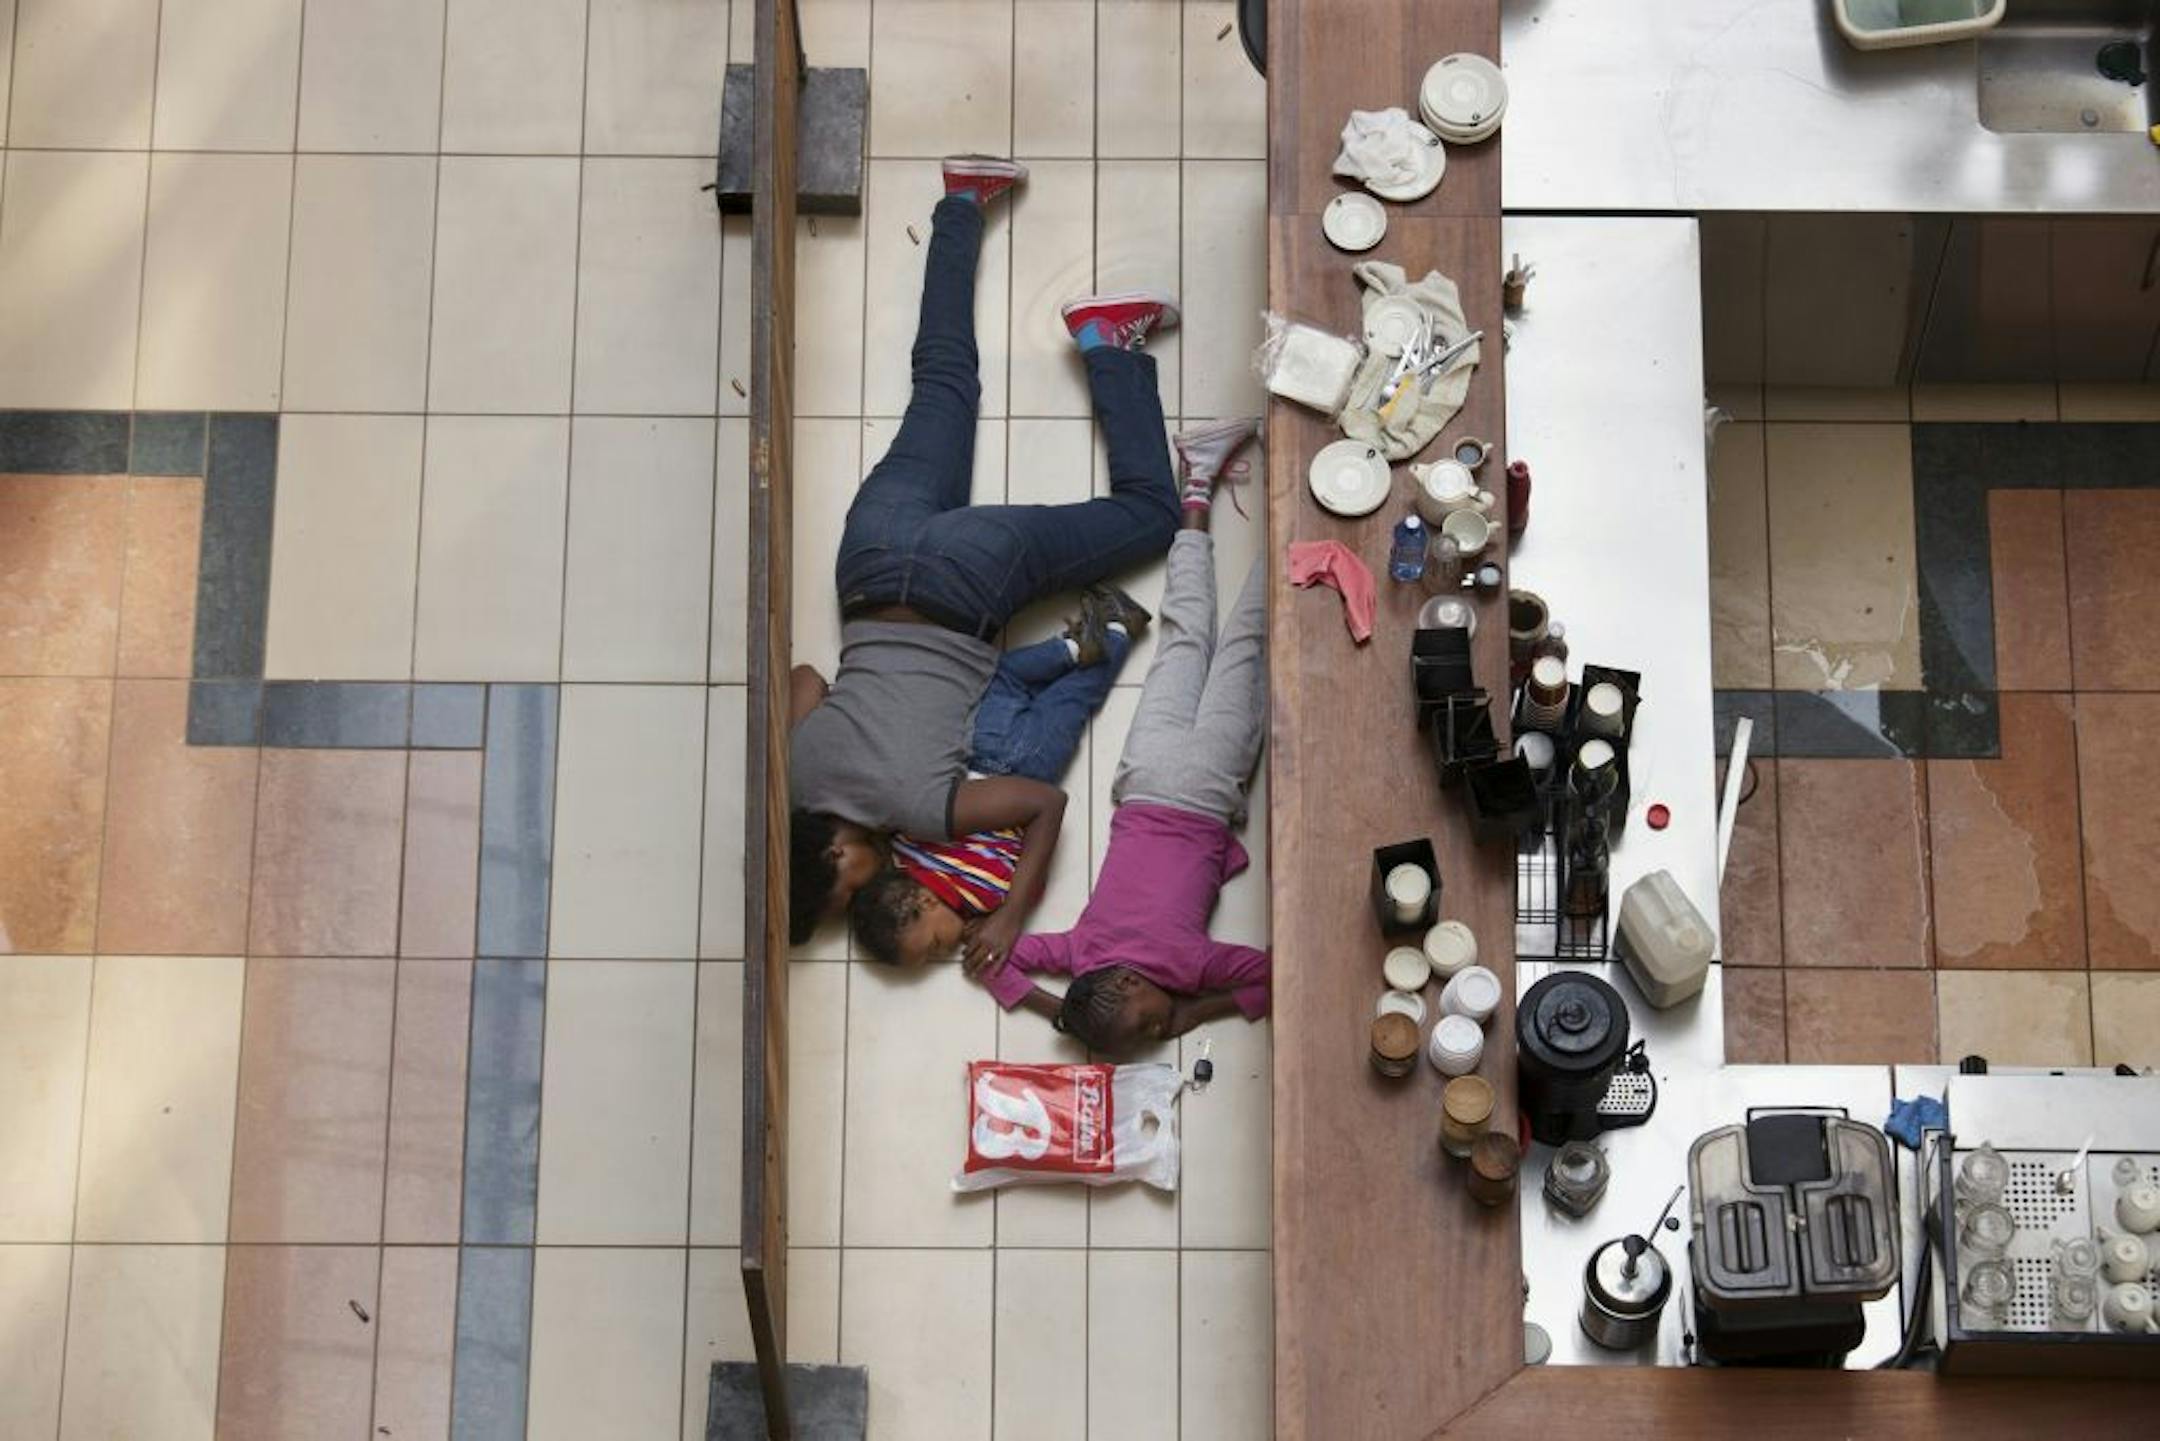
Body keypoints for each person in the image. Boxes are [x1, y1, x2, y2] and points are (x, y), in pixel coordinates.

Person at [789, 154, 1185, 964]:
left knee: (1152, 517)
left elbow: (1043, 803)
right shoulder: (792, 774)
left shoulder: (914, 811)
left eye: (848, 888)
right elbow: (804, 679)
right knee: (942, 381)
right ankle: (963, 199)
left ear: (834, 854)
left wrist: (1009, 916)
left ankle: (1108, 342)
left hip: (970, 580)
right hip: (870, 558)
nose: (865, 887)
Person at [848, 419, 1261, 971]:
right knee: (1009, 679)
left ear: (920, 905)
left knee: (1076, 700)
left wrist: (1007, 916)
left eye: (933, 946)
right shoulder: (904, 849)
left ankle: (1112, 631)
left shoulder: (982, 895)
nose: (944, 951)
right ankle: (1069, 647)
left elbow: (1032, 849)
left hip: (1028, 773)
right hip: (972, 743)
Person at [964, 465, 1271, 1055]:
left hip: (1205, 789)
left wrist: (1199, 1010)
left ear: (1131, 985)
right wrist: (1064, 1011)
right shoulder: (1079, 953)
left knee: (1245, 647)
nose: (1161, 1028)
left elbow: (1273, 974)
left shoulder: (1188, 968)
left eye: (1147, 1024)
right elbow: (994, 963)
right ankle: (1197, 491)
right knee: (1185, 635)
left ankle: (1288, 536)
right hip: (1144, 774)